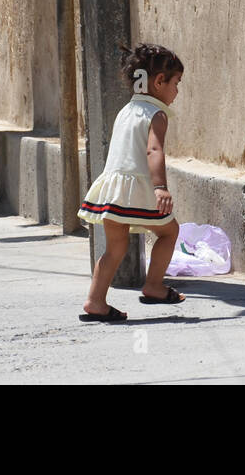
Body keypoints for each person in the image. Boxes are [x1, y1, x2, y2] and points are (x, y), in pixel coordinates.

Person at [78, 43, 188, 322]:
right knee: (169, 232)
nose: (177, 91)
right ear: (159, 81)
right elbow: (154, 150)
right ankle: (153, 286)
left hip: (113, 190)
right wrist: (160, 187)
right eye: (176, 83)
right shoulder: (157, 114)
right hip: (139, 189)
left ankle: (95, 301)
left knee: (115, 247)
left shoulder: (127, 110)